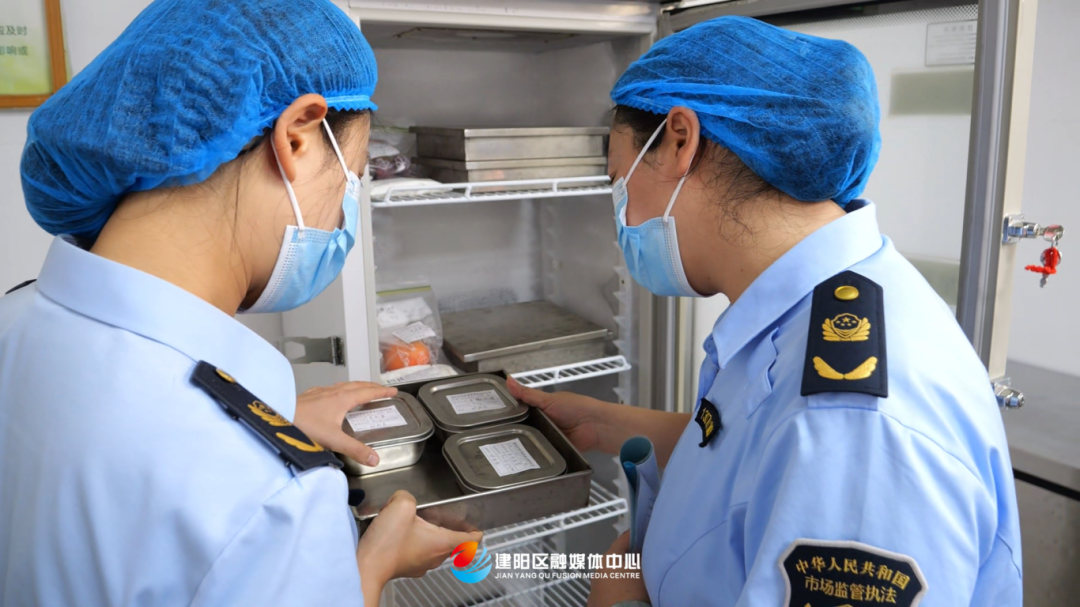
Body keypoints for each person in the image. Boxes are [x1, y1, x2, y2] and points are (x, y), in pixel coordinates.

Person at [507, 16, 1022, 607]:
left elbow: (813, 446)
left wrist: (620, 597)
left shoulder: (850, 421)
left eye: (618, 182)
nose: (622, 217)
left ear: (680, 140)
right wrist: (604, 424)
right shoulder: (818, 309)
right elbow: (752, 458)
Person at [0, 1, 479, 605]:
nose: (343, 216)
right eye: (352, 179)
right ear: (297, 137)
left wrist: (272, 415)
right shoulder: (272, 493)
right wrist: (372, 567)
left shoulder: (15, 320)